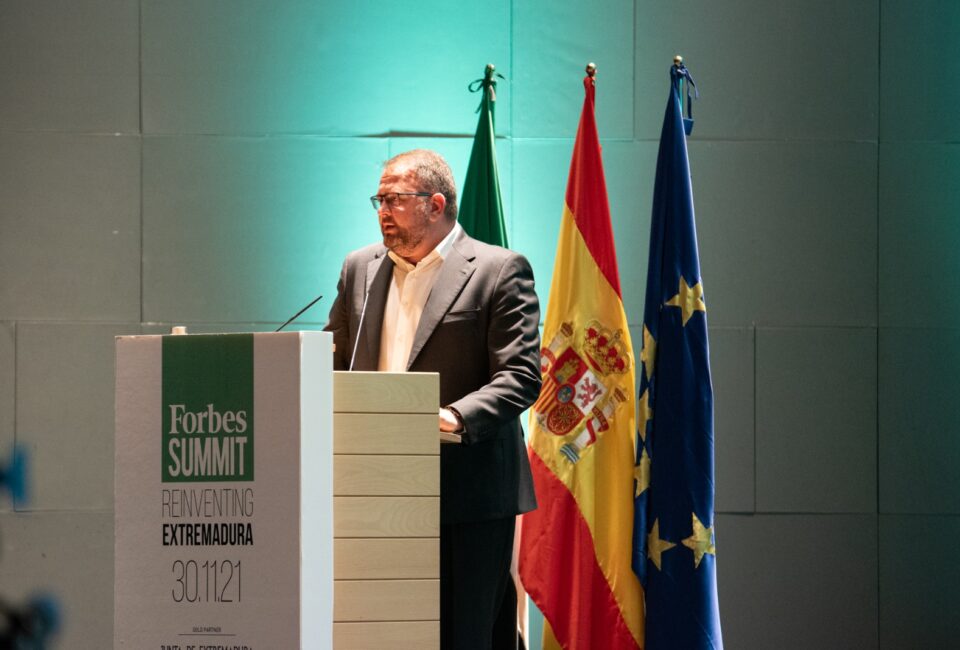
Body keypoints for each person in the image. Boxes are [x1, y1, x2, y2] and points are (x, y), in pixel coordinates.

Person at [325, 149, 540, 649]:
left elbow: (521, 376)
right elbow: (329, 360)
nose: (382, 209)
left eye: (394, 199)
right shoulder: (360, 268)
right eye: (378, 199)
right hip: (372, 490)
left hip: (467, 493)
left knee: (463, 635)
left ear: (436, 203)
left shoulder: (498, 269)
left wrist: (450, 418)